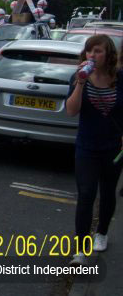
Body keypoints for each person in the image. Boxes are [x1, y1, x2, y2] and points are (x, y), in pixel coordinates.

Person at [66, 34, 123, 264]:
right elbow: (71, 110)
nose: (92, 55)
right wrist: (80, 82)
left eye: (98, 51)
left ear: (108, 54)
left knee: (108, 192)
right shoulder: (78, 77)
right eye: (89, 51)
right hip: (87, 146)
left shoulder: (119, 78)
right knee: (86, 194)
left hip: (113, 147)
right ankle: (80, 249)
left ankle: (102, 232)